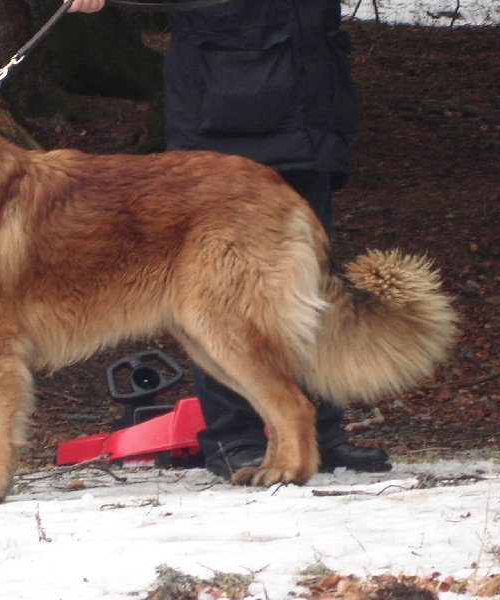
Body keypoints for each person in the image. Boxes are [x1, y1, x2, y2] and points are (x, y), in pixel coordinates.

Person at [70, 0, 391, 479]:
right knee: (217, 306)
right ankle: (233, 436)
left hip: (309, 108)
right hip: (223, 110)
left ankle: (320, 434)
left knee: (301, 298)